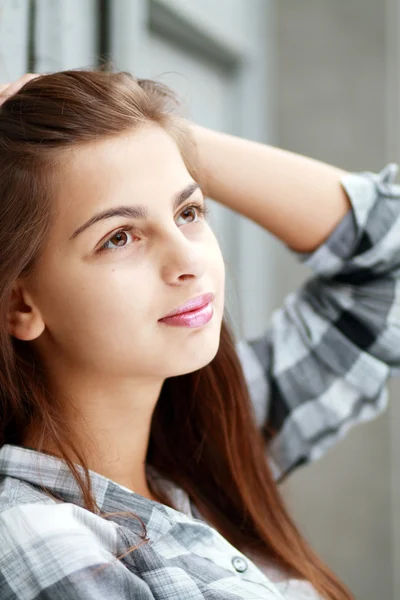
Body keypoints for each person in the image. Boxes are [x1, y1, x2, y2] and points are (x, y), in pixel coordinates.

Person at [0, 69, 398, 600]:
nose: (189, 261)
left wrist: (166, 138)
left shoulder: (204, 453)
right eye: (120, 237)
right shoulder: (37, 539)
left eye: (188, 210)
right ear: (19, 304)